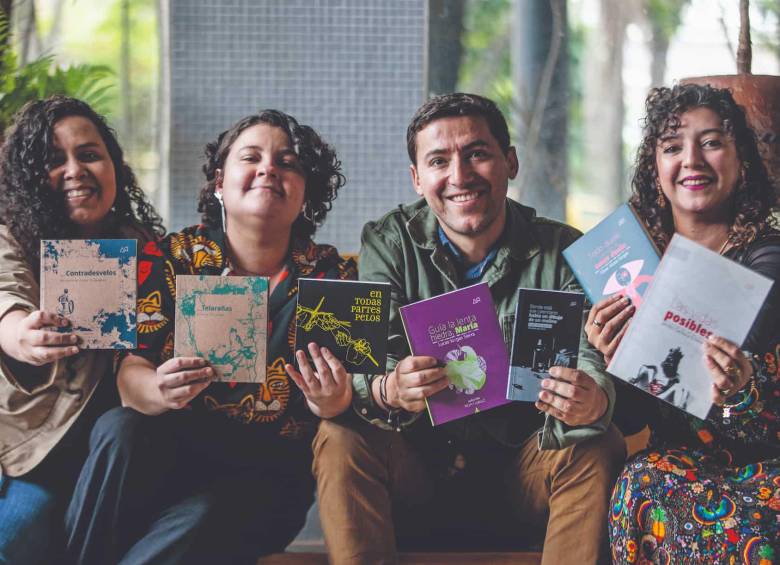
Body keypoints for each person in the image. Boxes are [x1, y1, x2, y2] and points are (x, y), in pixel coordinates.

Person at [312, 93, 626, 565]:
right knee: (338, 436)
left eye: (477, 153)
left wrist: (593, 398)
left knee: (598, 439)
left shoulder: (563, 249)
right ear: (418, 179)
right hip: (417, 473)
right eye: (439, 160)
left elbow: (590, 355)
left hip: (526, 475)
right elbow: (366, 358)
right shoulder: (387, 241)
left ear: (510, 162)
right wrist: (390, 387)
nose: (459, 176)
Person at [64, 110, 356, 565]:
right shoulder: (171, 258)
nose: (269, 169)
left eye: (288, 162)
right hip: (170, 451)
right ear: (220, 182)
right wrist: (158, 389)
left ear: (307, 191)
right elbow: (129, 371)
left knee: (204, 516)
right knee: (118, 426)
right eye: (251, 157)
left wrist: (332, 402)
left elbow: (353, 396)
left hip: (266, 474)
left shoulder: (335, 277)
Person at [585, 84, 780, 563]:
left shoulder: (768, 255)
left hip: (767, 462)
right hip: (680, 463)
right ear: (656, 170)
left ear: (742, 161)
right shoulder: (629, 263)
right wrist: (613, 358)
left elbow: (744, 345)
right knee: (641, 481)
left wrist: (738, 380)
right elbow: (631, 419)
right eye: (673, 147)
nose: (691, 160)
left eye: (711, 142)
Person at [0, 95, 165, 565]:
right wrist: (23, 336)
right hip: (30, 461)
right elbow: (4, 296)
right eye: (54, 161)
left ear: (115, 166)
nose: (75, 169)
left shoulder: (144, 247)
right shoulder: (10, 237)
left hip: (120, 462)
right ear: (28, 179)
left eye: (89, 154)